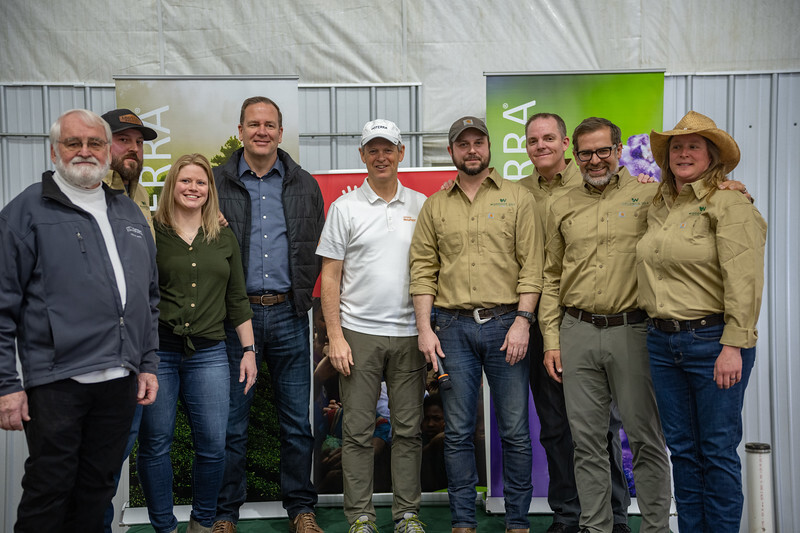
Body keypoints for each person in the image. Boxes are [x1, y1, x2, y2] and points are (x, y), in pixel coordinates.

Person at [0, 108, 159, 531]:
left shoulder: (128, 214)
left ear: (107, 152)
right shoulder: (25, 212)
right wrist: (6, 385)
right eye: (74, 143)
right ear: (55, 151)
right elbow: (3, 305)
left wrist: (147, 363)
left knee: (97, 492)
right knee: (48, 492)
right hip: (57, 382)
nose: (85, 151)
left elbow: (148, 298)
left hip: (119, 381)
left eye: (95, 143)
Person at [538, 117, 672, 533]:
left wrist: (732, 187)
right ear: (573, 155)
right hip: (576, 332)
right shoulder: (560, 204)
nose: (595, 160)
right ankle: (596, 527)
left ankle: (655, 527)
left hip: (632, 330)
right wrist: (551, 339)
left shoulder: (651, 195)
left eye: (602, 151)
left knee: (646, 439)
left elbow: (693, 208)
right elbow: (551, 276)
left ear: (617, 150)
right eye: (585, 153)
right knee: (587, 443)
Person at [410, 116, 542, 533]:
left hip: (507, 326)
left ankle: (517, 522)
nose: (471, 150)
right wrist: (425, 329)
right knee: (457, 433)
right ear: (451, 151)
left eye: (478, 142)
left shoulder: (518, 198)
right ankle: (463, 522)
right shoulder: (435, 205)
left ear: (489, 147)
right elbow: (422, 270)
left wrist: (523, 321)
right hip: (451, 328)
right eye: (462, 144)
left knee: (515, 431)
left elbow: (532, 266)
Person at [637, 111, 767, 532]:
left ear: (712, 156)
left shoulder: (729, 203)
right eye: (676, 147)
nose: (683, 153)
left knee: (716, 451)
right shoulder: (657, 205)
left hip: (713, 342)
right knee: (683, 452)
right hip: (662, 342)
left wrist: (733, 346)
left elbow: (745, 279)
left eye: (694, 146)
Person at [214, 96, 326, 533]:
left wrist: (302, 298)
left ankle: (301, 509)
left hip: (289, 316)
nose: (262, 131)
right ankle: (225, 515)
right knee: (232, 424)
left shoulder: (305, 185)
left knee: (297, 422)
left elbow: (318, 247)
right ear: (240, 131)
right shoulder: (215, 183)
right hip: (234, 319)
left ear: (281, 132)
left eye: (270, 124)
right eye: (253, 124)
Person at [519, 112, 631, 533]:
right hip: (539, 322)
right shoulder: (514, 192)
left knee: (601, 427)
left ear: (566, 144)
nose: (541, 146)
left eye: (549, 138)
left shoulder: (595, 181)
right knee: (554, 426)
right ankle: (568, 515)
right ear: (526, 147)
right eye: (534, 140)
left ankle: (613, 517)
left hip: (589, 322)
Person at [318, 119, 428, 533]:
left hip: (410, 333)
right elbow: (330, 276)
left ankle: (407, 515)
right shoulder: (344, 208)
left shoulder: (422, 205)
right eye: (373, 150)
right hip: (358, 334)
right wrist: (335, 336)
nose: (381, 157)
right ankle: (361, 517)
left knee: (409, 431)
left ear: (401, 153)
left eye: (388, 149)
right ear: (362, 155)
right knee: (358, 431)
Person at [137, 154, 257, 533]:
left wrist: (249, 351)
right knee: (156, 444)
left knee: (213, 445)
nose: (193, 188)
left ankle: (202, 523)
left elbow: (237, 298)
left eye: (201, 182)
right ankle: (164, 527)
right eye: (186, 181)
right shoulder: (151, 232)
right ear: (172, 185)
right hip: (158, 353)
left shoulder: (222, 235)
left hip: (210, 354)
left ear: (210, 190)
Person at [100, 107, 159, 533]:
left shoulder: (138, 199)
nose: (133, 149)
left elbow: (146, 279)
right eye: (123, 140)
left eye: (138, 142)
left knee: (113, 459)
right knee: (94, 466)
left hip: (134, 355)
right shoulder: (88, 194)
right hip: (97, 356)